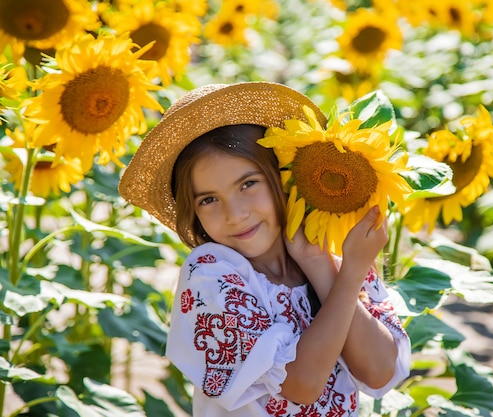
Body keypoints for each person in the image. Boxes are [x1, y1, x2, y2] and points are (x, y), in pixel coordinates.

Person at [118, 81, 410, 416]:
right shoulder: (211, 272)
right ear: (193, 210)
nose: (235, 214)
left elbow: (379, 371)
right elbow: (302, 385)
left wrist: (320, 264)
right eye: (209, 199)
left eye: (248, 184)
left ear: (283, 176)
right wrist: (351, 275)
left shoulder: (329, 251)